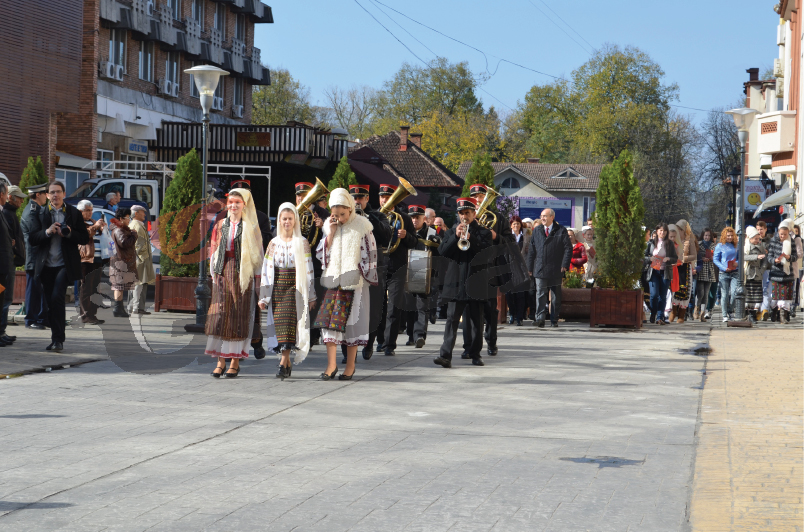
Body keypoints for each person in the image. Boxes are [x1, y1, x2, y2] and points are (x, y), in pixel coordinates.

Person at [315, 188, 377, 380]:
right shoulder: (329, 226)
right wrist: (331, 233)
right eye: (335, 214)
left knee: (351, 325)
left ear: (350, 209)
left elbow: (371, 253)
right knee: (329, 324)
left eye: (343, 214)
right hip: (334, 283)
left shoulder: (362, 226)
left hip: (354, 284)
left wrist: (361, 272)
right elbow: (321, 254)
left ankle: (350, 366)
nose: (340, 218)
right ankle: (331, 365)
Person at [205, 188, 264, 378]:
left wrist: (257, 281)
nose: (233, 205)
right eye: (230, 202)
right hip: (223, 272)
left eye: (237, 202)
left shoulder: (251, 227)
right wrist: (214, 271)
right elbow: (213, 248)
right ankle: (220, 362)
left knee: (237, 317)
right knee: (220, 316)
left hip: (241, 274)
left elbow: (257, 256)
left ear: (244, 205)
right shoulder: (220, 224)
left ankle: (235, 362)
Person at [26, 181, 90, 351]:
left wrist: (69, 233)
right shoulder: (40, 213)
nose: (55, 195)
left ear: (64, 193)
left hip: (64, 265)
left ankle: (58, 340)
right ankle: (56, 337)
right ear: (47, 195)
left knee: (57, 298)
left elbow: (84, 238)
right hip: (45, 265)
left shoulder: (73, 213)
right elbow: (32, 239)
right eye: (52, 192)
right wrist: (47, 232)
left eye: (58, 192)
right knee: (49, 303)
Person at [215, 180, 273, 359]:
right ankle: (228, 350)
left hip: (249, 269)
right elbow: (216, 245)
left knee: (250, 310)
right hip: (228, 270)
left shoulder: (260, 217)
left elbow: (266, 242)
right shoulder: (224, 219)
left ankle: (256, 342)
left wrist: (251, 231)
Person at [259, 203, 316, 379]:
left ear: (295, 221)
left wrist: (311, 295)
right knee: (281, 325)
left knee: (290, 324)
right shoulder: (273, 243)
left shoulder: (302, 242)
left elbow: (309, 270)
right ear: (279, 220)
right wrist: (264, 296)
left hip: (295, 287)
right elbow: (267, 269)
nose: (287, 222)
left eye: (290, 219)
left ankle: (283, 363)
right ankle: (287, 362)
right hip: (278, 288)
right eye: (284, 219)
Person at [433, 197, 492, 368]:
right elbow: (442, 252)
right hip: (455, 282)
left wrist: (471, 238)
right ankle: (445, 355)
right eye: (461, 213)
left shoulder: (483, 233)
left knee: (476, 322)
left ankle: (475, 354)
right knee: (451, 319)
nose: (464, 216)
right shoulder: (451, 232)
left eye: (467, 213)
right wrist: (456, 237)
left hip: (475, 283)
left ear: (474, 213)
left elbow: (486, 255)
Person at [463, 183, 513, 357]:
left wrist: (495, 236)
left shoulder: (497, 218)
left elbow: (510, 242)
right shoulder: (464, 217)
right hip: (470, 269)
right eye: (475, 197)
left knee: (491, 309)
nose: (478, 200)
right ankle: (468, 347)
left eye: (481, 196)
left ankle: (491, 341)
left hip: (491, 269)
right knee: (468, 310)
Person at [348, 184, 392, 361]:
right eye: (354, 199)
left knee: (373, 308)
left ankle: (369, 343)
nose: (357, 202)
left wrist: (367, 218)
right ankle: (348, 350)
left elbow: (386, 236)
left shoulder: (378, 215)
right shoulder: (346, 217)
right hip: (352, 268)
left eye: (360, 198)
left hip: (374, 267)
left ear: (367, 199)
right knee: (350, 308)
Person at [377, 184, 416, 357]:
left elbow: (415, 242)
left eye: (388, 197)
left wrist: (405, 236)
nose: (385, 200)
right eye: (382, 197)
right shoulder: (374, 216)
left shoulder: (404, 218)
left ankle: (389, 344)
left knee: (393, 307)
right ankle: (379, 340)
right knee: (379, 307)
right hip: (379, 265)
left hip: (398, 267)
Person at [295, 182, 328, 347]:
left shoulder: (323, 213)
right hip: (295, 262)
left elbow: (334, 237)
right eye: (299, 195)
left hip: (315, 262)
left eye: (304, 195)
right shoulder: (291, 212)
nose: (301, 198)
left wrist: (322, 227)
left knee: (315, 298)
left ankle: (314, 334)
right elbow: (276, 233)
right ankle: (296, 333)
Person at [527, 208, 572, 328]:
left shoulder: (561, 230)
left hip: (556, 268)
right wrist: (529, 267)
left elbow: (568, 248)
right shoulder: (537, 230)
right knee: (540, 294)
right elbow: (531, 250)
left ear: (552, 217)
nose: (542, 218)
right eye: (541, 216)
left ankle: (554, 319)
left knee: (555, 296)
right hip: (540, 268)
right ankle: (540, 319)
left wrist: (564, 264)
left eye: (545, 216)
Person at [404, 204, 439, 347]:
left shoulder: (432, 232)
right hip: (407, 272)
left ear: (424, 218)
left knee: (422, 305)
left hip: (424, 272)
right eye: (412, 217)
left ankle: (420, 335)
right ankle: (411, 335)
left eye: (417, 217)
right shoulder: (405, 232)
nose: (414, 220)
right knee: (409, 305)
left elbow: (438, 253)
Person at [20, 183, 50, 330]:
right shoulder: (32, 211)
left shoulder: (38, 209)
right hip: (34, 256)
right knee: (33, 289)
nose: (47, 196)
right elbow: (35, 236)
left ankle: (43, 317)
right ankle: (31, 319)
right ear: (38, 194)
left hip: (40, 256)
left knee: (41, 289)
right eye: (45, 193)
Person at [1, 185, 25, 342]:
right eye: (19, 197)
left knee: (5, 297)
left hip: (7, 263)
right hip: (3, 266)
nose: (22, 201)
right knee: (3, 298)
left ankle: (1, 331)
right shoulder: (6, 213)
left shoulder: (7, 213)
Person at [76, 200, 106, 325]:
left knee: (95, 288)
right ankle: (85, 315)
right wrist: (96, 227)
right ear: (80, 211)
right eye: (87, 210)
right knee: (86, 288)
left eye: (91, 210)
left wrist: (103, 228)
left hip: (98, 259)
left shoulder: (94, 222)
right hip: (86, 259)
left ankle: (92, 314)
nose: (90, 212)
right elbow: (85, 234)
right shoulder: (78, 223)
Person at [766, 219, 798, 324]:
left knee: (786, 296)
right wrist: (775, 260)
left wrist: (789, 257)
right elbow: (769, 256)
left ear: (788, 233)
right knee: (775, 296)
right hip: (776, 272)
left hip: (787, 273)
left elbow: (795, 256)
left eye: (784, 234)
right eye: (781, 234)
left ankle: (783, 316)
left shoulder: (791, 241)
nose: (782, 236)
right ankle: (774, 313)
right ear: (778, 232)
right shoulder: (773, 241)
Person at [108, 208, 138, 318]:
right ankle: (117, 308)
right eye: (127, 218)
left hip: (120, 261)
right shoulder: (119, 230)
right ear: (121, 219)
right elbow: (124, 243)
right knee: (118, 286)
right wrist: (134, 235)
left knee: (119, 286)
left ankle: (119, 308)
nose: (129, 220)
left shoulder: (121, 229)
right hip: (120, 262)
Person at [644, 223, 676, 324]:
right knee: (654, 295)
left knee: (663, 295)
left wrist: (669, 259)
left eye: (664, 231)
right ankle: (653, 313)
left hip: (665, 271)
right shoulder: (651, 243)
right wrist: (650, 258)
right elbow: (643, 257)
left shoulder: (670, 244)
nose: (662, 233)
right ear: (657, 231)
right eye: (660, 230)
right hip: (653, 271)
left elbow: (675, 259)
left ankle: (659, 316)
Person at [126, 205, 155, 315]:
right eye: (143, 212)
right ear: (136, 213)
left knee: (139, 283)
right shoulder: (136, 226)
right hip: (139, 259)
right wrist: (141, 257)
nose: (145, 214)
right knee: (139, 284)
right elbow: (137, 245)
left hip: (139, 259)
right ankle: (136, 308)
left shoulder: (136, 225)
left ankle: (134, 307)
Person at [668, 220, 697, 324]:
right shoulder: (673, 238)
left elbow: (694, 256)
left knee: (686, 291)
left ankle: (681, 315)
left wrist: (683, 258)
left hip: (686, 268)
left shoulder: (690, 240)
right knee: (675, 289)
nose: (678, 231)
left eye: (680, 229)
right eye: (677, 229)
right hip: (675, 267)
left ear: (685, 229)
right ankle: (673, 312)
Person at [0, 183, 16, 346]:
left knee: (2, 299)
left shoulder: (2, 212)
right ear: (2, 194)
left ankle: (1, 332)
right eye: (6, 194)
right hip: (1, 268)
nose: (7, 197)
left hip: (4, 267)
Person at [713, 226, 739, 322]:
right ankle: (724, 315)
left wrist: (737, 263)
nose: (730, 237)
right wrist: (723, 267)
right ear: (724, 236)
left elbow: (740, 258)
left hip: (735, 272)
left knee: (734, 293)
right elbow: (715, 259)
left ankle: (730, 310)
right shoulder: (720, 246)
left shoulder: (736, 245)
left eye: (731, 235)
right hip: (724, 273)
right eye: (728, 235)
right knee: (724, 294)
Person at [507, 216, 529, 326]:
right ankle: (512, 314)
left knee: (521, 294)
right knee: (510, 294)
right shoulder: (506, 236)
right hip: (509, 268)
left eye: (518, 224)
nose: (516, 226)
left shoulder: (525, 236)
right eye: (514, 224)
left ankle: (520, 317)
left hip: (522, 269)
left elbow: (528, 251)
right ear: (511, 225)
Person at [743, 226, 767, 322]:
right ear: (750, 238)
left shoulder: (761, 246)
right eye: (755, 238)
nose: (757, 240)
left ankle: (753, 314)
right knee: (748, 295)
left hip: (757, 274)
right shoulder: (745, 246)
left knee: (756, 296)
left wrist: (762, 270)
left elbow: (765, 260)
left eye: (758, 238)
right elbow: (744, 257)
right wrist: (756, 257)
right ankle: (747, 314)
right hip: (748, 273)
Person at [694, 228, 717, 322]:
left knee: (706, 294)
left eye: (708, 235)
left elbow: (718, 257)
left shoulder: (714, 246)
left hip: (710, 271)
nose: (707, 237)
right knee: (701, 293)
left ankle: (702, 313)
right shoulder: (699, 245)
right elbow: (695, 257)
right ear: (702, 236)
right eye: (705, 235)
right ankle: (696, 309)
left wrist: (712, 258)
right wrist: (701, 259)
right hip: (701, 271)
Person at [756, 221, 772, 320]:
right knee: (759, 290)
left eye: (761, 229)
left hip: (768, 268)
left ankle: (764, 309)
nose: (760, 231)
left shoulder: (770, 240)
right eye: (758, 229)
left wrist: (768, 252)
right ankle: (759, 310)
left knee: (765, 290)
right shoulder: (755, 240)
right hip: (757, 268)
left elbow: (775, 251)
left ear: (765, 229)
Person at [792, 225, 803, 318]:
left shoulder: (800, 240)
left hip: (798, 266)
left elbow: (800, 254)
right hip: (792, 266)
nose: (795, 233)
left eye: (796, 231)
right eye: (793, 231)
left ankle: (794, 307)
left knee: (797, 286)